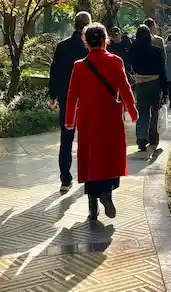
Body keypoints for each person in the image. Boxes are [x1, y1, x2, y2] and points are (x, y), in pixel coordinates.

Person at [65, 23, 138, 220]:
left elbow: (72, 97)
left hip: (89, 121)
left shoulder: (79, 66)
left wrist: (70, 121)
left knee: (91, 159)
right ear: (105, 40)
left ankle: (92, 206)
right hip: (111, 119)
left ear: (86, 42)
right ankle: (107, 193)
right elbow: (125, 89)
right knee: (109, 158)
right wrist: (133, 112)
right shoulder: (116, 62)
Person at [49, 11, 91, 193]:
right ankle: (88, 177)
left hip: (67, 99)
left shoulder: (62, 46)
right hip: (88, 99)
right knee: (87, 139)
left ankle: (65, 179)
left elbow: (55, 72)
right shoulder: (91, 48)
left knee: (66, 139)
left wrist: (53, 96)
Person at [130, 24, 167, 150]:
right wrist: (165, 90)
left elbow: (129, 65)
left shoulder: (133, 50)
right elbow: (162, 71)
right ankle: (152, 136)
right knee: (154, 111)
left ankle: (141, 136)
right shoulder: (157, 51)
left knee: (142, 112)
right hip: (155, 83)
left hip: (140, 83)